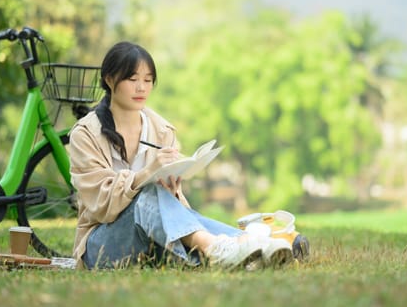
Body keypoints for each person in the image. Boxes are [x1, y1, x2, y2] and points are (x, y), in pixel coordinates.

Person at [69, 41, 293, 270]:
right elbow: (100, 204)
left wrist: (173, 191)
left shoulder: (162, 130)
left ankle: (253, 248)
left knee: (164, 199)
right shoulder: (85, 134)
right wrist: (146, 174)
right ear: (109, 79)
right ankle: (222, 248)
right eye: (133, 79)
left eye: (148, 80)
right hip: (102, 245)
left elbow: (176, 212)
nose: (141, 88)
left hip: (152, 237)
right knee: (150, 192)